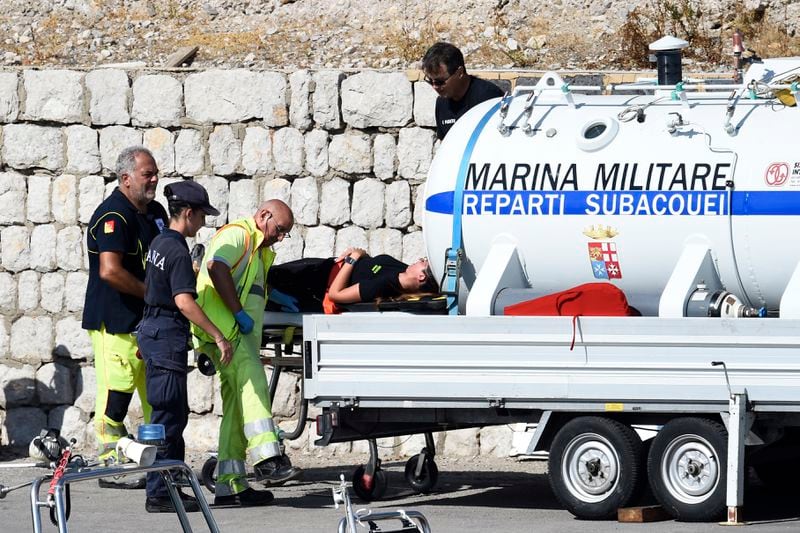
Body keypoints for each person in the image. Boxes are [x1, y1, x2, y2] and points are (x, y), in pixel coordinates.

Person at [192, 199, 301, 507]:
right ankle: (267, 458)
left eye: (286, 234)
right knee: (253, 383)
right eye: (280, 230)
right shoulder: (238, 235)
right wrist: (238, 313)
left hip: (233, 333)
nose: (280, 237)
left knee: (237, 409)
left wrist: (270, 294)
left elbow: (249, 287)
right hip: (224, 330)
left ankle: (230, 485)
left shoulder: (259, 250)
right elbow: (216, 266)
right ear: (263, 215)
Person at [137, 181, 233, 513]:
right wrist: (218, 335)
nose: (204, 223)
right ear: (188, 214)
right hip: (165, 335)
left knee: (167, 412)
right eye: (202, 216)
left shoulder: (158, 243)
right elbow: (183, 301)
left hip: (153, 331)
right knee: (169, 416)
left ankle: (165, 488)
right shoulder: (177, 250)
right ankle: (161, 493)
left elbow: (152, 287)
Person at [82, 146, 168, 489]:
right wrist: (152, 293)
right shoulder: (112, 216)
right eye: (148, 174)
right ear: (125, 178)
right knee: (115, 395)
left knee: (156, 396)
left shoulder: (155, 212)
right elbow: (110, 271)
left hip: (148, 323)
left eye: (155, 173)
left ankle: (157, 463)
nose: (155, 179)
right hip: (115, 323)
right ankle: (109, 465)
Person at [266, 248, 439, 313]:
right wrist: (359, 253)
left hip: (315, 286)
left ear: (421, 276)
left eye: (423, 261)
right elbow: (372, 263)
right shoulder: (401, 268)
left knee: (266, 278)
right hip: (325, 267)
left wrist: (352, 260)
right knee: (266, 273)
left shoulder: (385, 286)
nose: (419, 259)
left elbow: (336, 294)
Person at [421, 41, 504, 140]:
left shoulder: (488, 97)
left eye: (440, 82)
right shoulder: (441, 103)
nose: (434, 87)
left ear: (460, 73)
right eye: (430, 81)